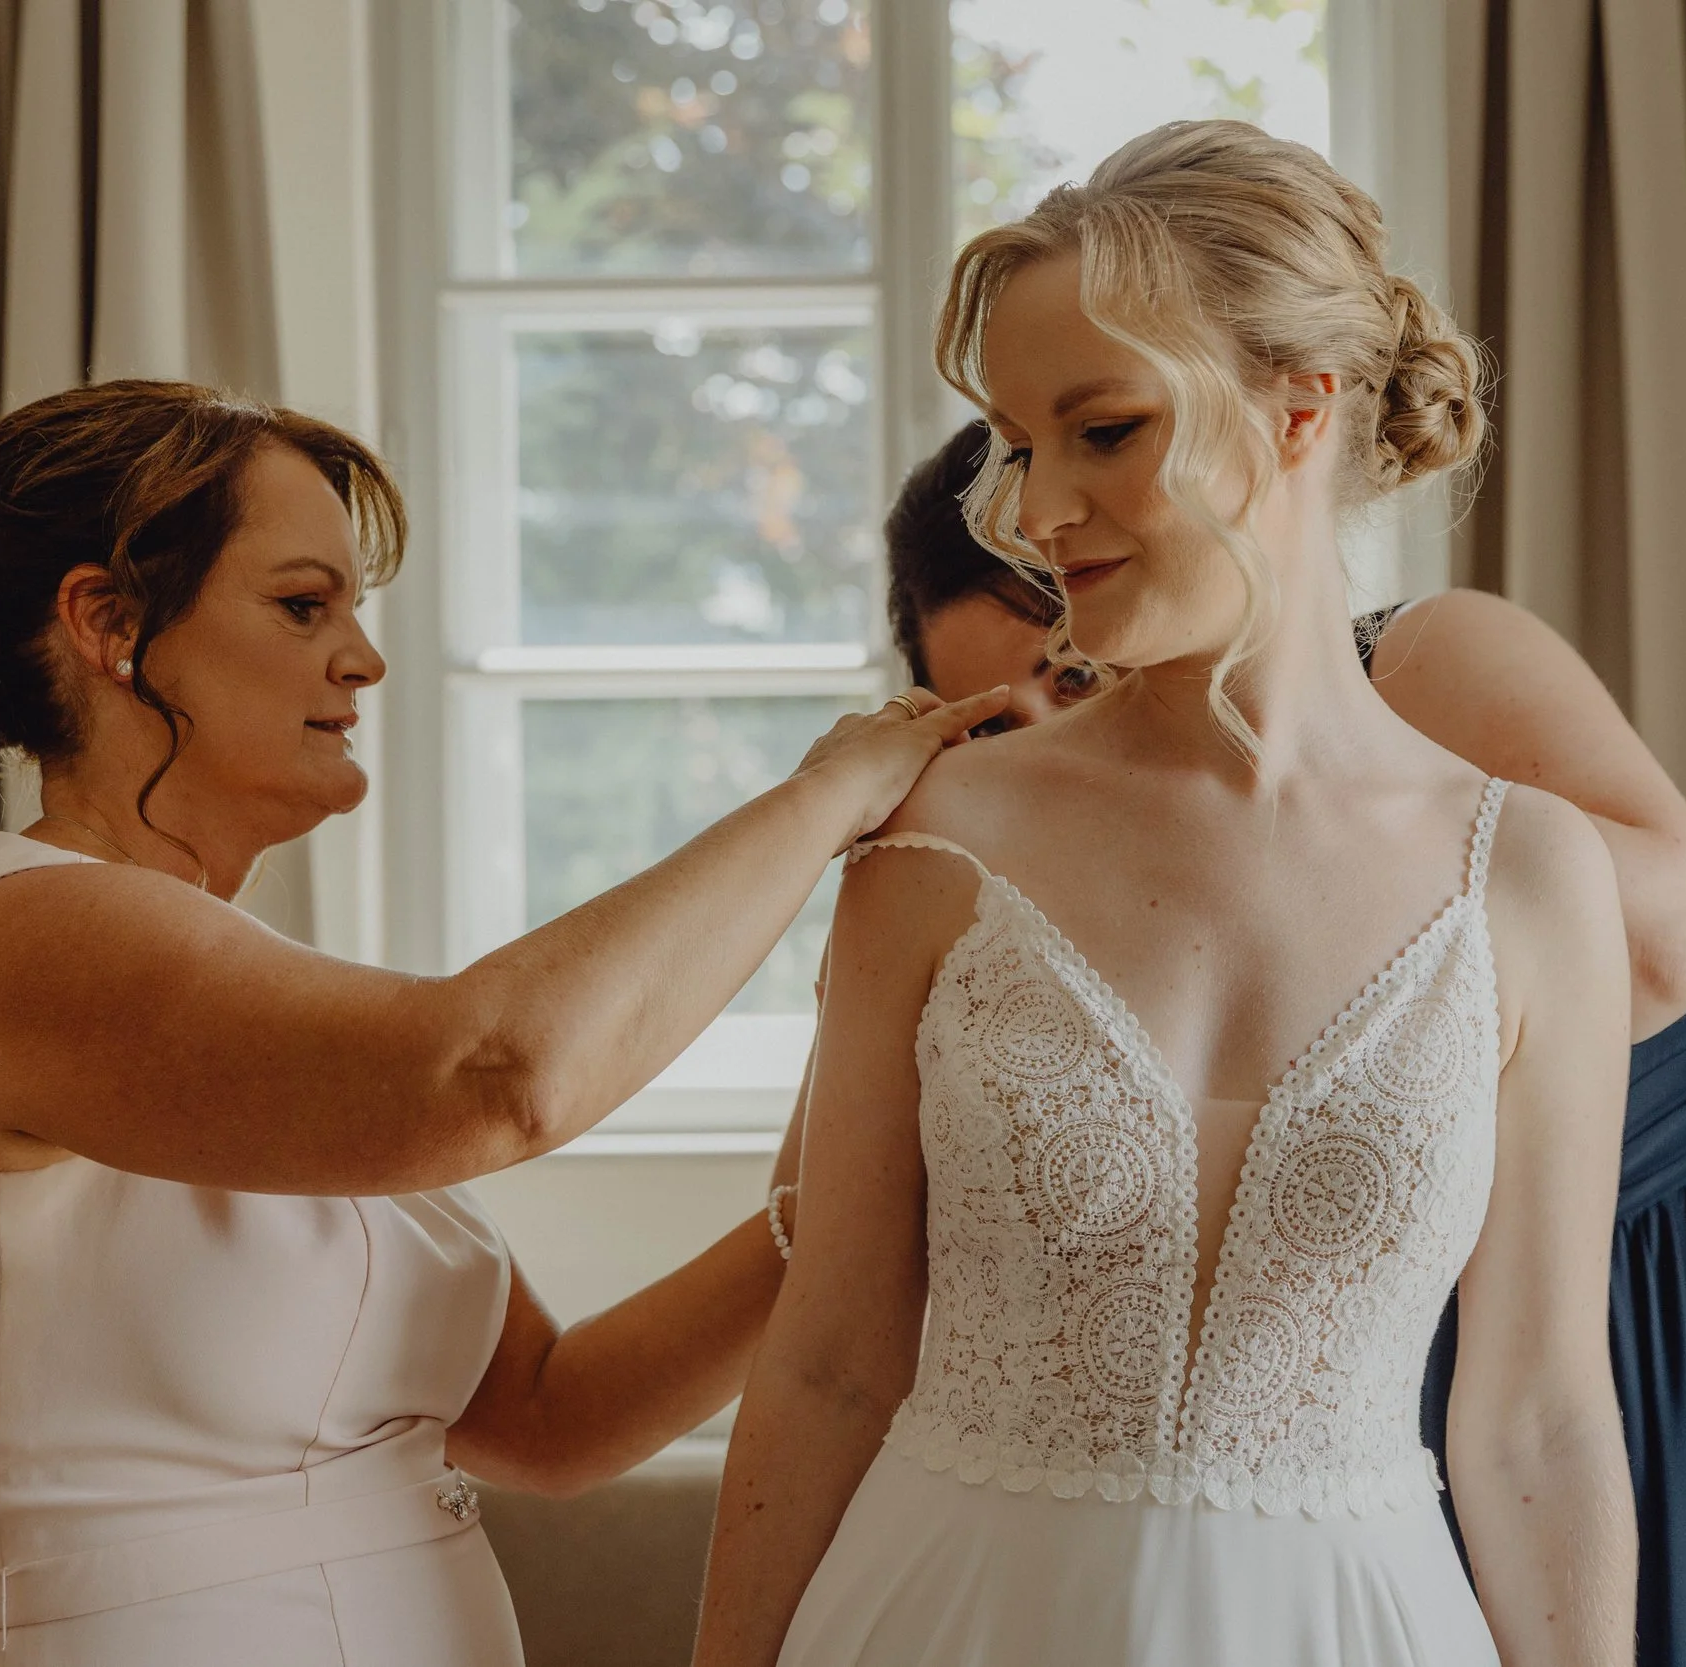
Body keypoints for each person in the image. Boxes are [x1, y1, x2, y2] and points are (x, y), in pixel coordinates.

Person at [0, 379, 1007, 1666]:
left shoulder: (254, 1013)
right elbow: (499, 1075)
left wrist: (866, 1179)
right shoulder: (23, 939)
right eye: (302, 605)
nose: (363, 660)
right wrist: (828, 793)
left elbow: (552, 1420)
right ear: (109, 622)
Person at [696, 121, 1636, 1667]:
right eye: (1019, 443)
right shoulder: (939, 836)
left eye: (1106, 430)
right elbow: (830, 1365)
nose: (1037, 510)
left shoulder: (1529, 873)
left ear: (1298, 408)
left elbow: (1537, 1415)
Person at [864, 430, 1686, 1661]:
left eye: (1069, 675)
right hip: (1430, 1409)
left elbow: (1665, 945)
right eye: (996, 727)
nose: (1046, 736)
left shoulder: (1422, 662)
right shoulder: (1014, 878)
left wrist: (1339, 826)